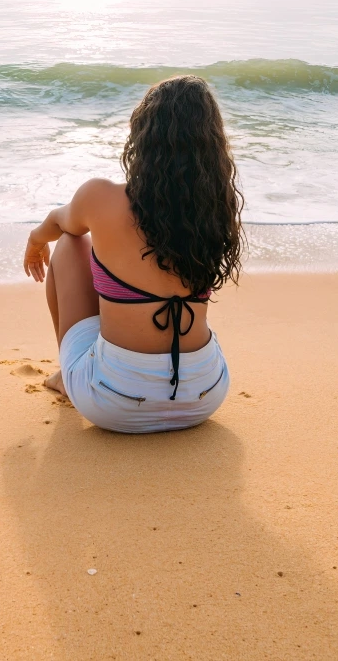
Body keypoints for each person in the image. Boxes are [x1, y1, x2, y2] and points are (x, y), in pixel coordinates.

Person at [22, 75, 244, 434]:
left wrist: (35, 242)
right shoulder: (217, 207)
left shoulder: (101, 197)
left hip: (114, 402)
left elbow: (57, 223)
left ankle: (70, 377)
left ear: (143, 134)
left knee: (70, 241)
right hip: (205, 395)